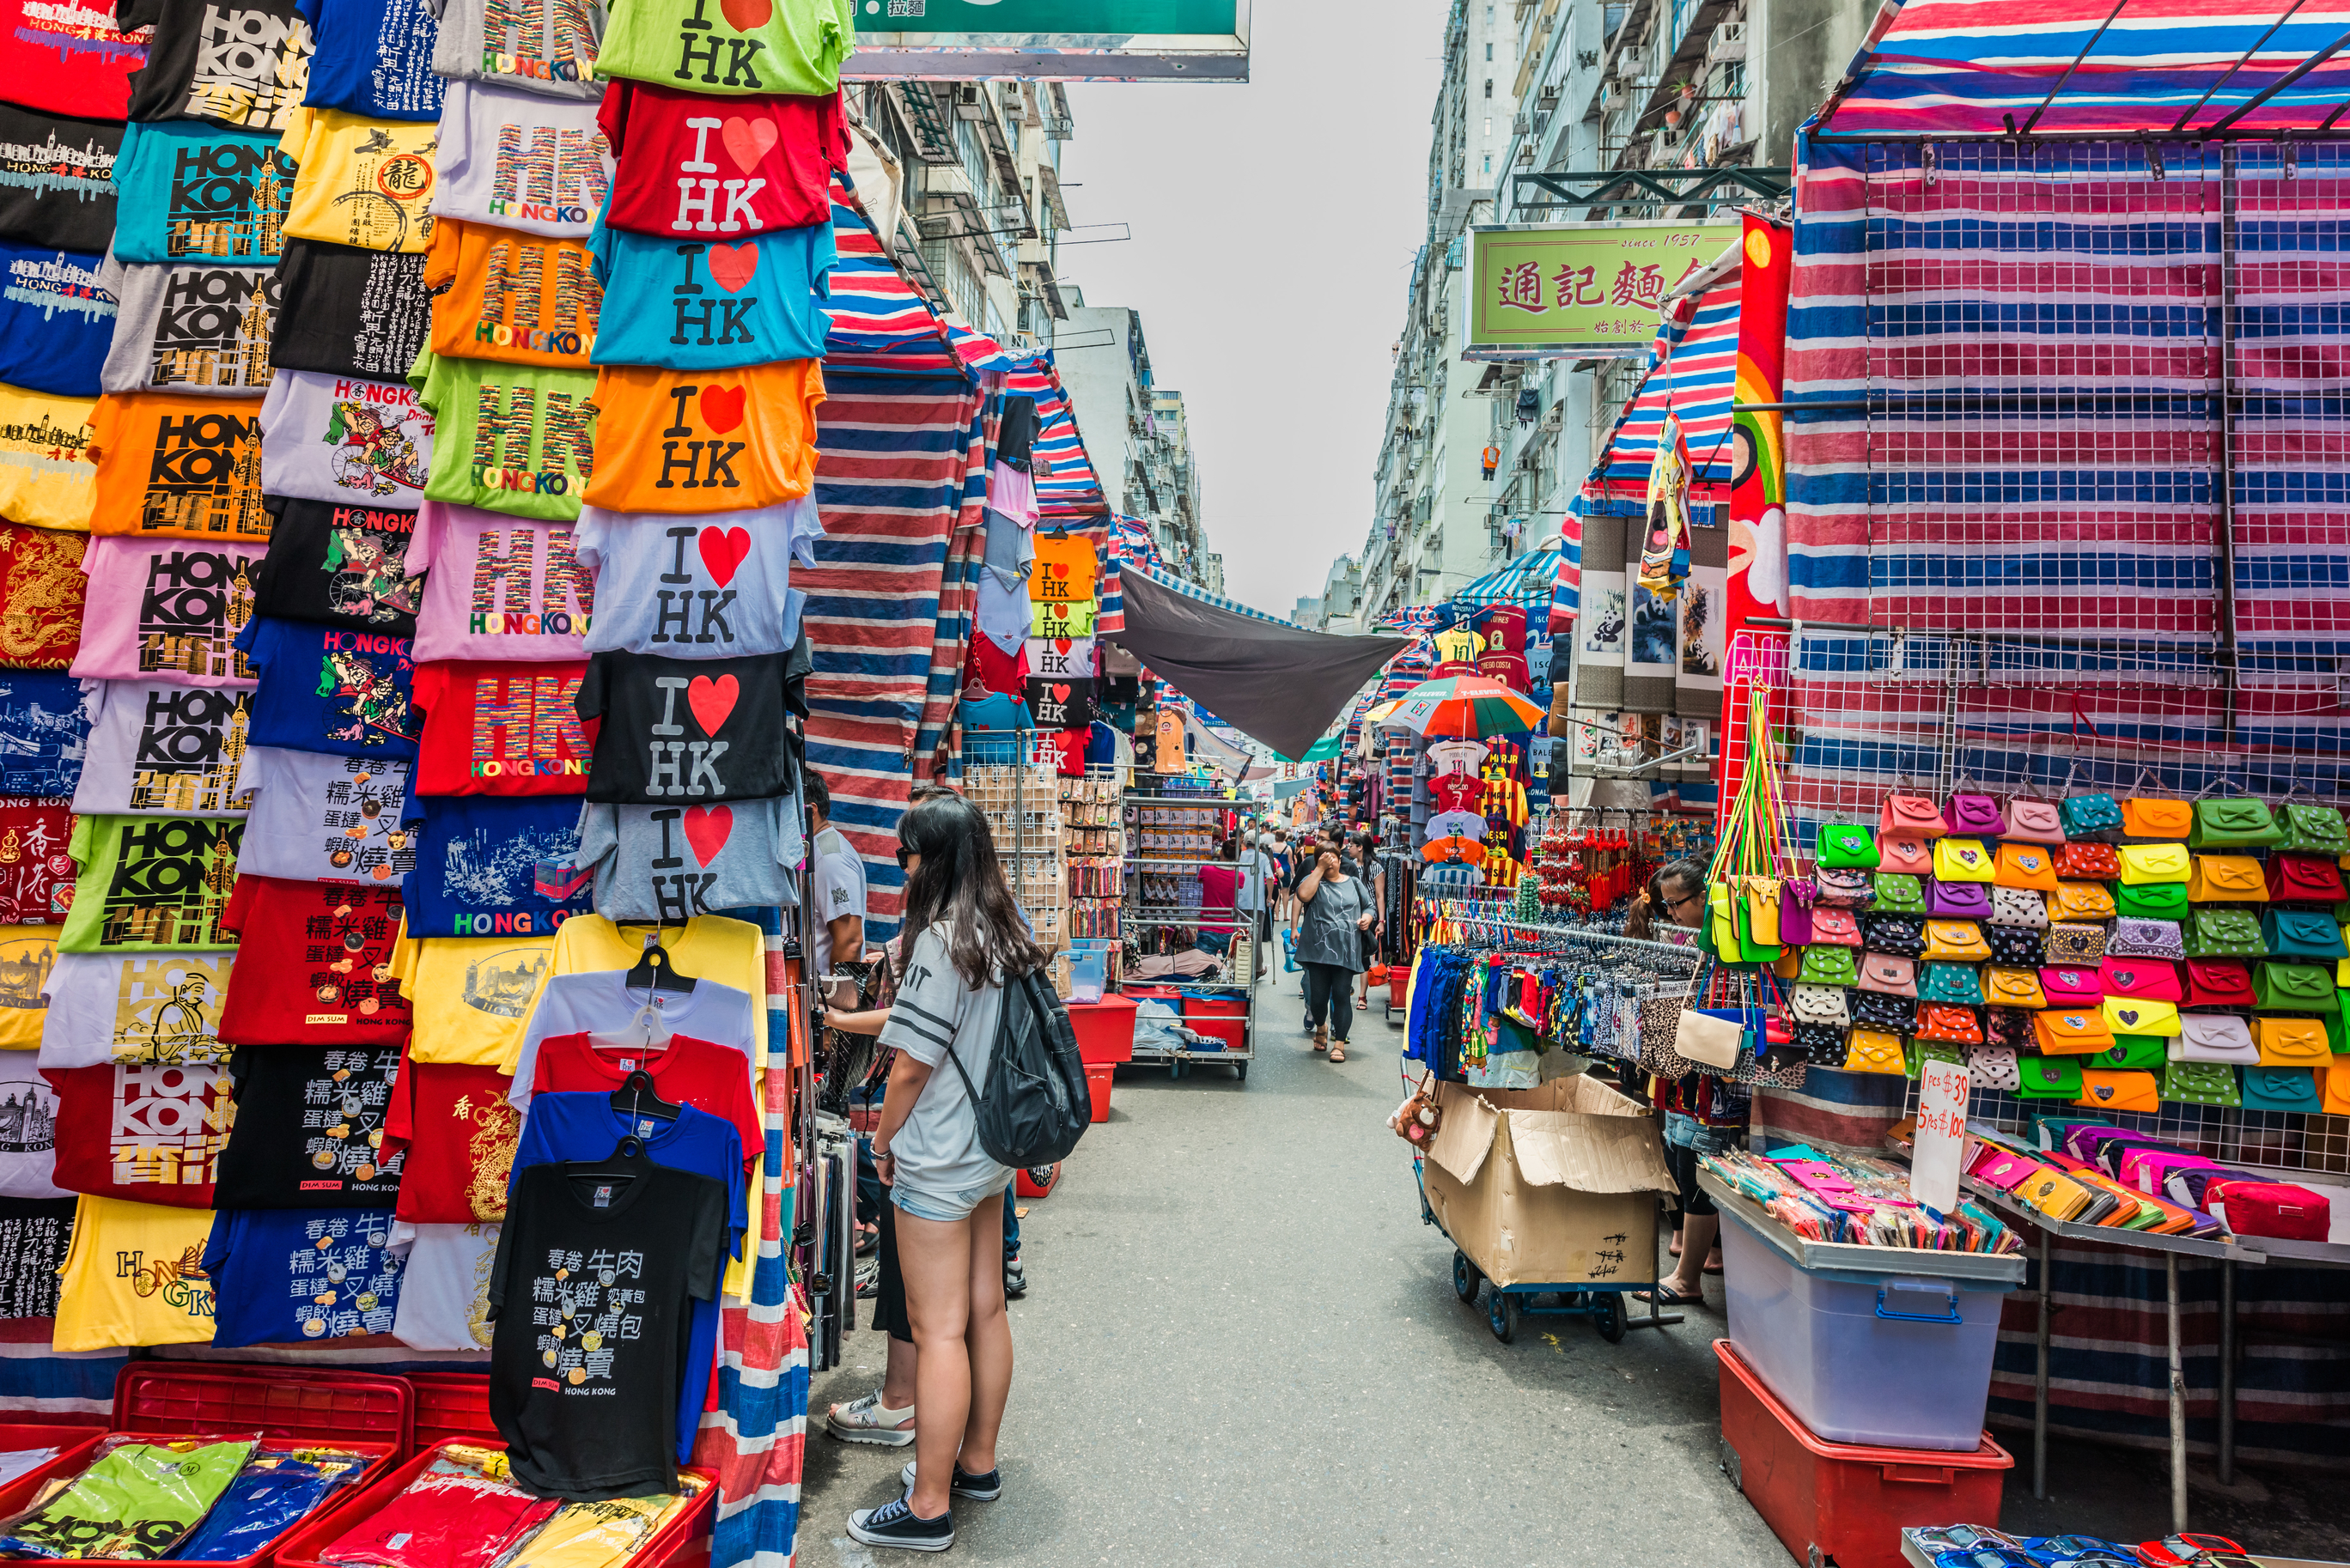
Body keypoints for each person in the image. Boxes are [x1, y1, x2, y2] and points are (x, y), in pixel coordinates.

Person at [848, 793, 1044, 1553]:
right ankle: (978, 1464)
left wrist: (883, 1143)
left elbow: (908, 1069)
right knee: (985, 1312)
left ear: (932, 859)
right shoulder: (1004, 931)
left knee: (937, 1332)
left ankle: (929, 1506)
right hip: (991, 1152)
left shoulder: (940, 943)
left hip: (938, 1159)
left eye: (907, 853)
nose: (902, 866)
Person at [1622, 858, 1736, 1307]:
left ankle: (1687, 1278)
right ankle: (1694, 1258)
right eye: (1666, 904)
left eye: (1676, 903)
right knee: (1680, 1149)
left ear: (1704, 897)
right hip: (1695, 1056)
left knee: (1695, 1160)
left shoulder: (1724, 935)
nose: (1671, 912)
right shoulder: (1694, 936)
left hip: (1714, 1058)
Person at [1294, 842, 1373, 1063]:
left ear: (1340, 860)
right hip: (1317, 951)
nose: (1331, 863)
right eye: (1325, 859)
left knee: (1341, 996)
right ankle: (1321, 1026)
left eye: (1334, 858)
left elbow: (1369, 907)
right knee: (1318, 1000)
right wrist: (1318, 869)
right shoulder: (1313, 881)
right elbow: (1303, 896)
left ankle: (1339, 1043)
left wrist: (1367, 918)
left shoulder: (1355, 883)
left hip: (1347, 949)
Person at [808, 774, 868, 976]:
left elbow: (850, 940)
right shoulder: (815, 850)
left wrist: (835, 1003)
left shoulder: (830, 858)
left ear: (811, 810)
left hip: (822, 1000)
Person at [1350, 830, 1387, 1012]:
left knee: (1365, 956)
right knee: (1349, 952)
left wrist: (1381, 921)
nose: (1348, 847)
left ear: (1360, 847)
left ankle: (1362, 996)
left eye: (1351, 845)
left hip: (1368, 916)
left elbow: (1380, 896)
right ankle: (1347, 987)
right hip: (1350, 915)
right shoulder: (1349, 866)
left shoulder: (1376, 867)